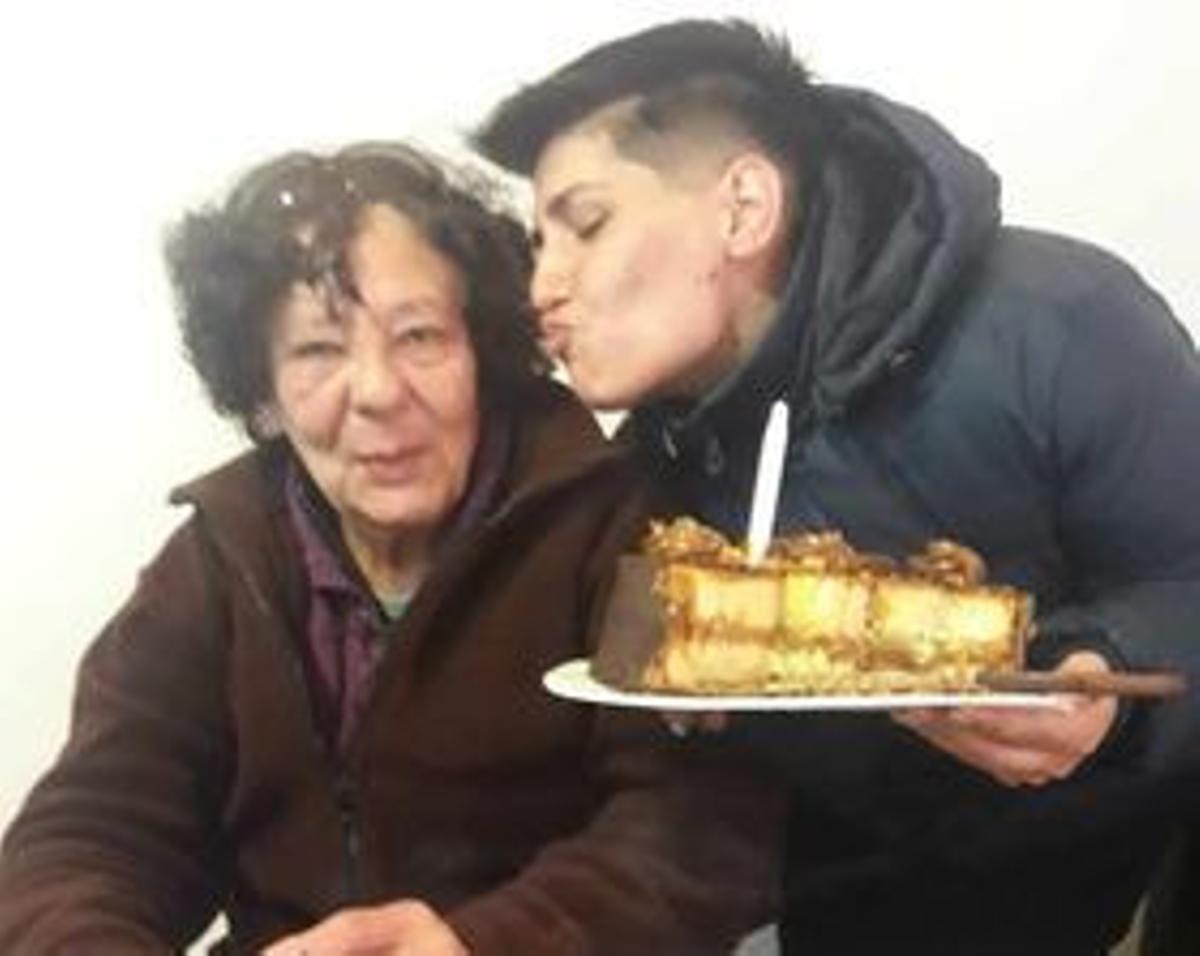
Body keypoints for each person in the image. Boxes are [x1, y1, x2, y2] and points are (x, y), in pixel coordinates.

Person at [473, 18, 1200, 955]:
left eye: (586, 224)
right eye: (538, 244)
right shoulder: (654, 461)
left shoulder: (1055, 320)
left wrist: (1107, 684)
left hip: (1118, 902)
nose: (544, 288)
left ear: (743, 208)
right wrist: (691, 713)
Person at [0, 142, 783, 954]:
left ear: (479, 351)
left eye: (419, 338)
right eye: (317, 350)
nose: (377, 392)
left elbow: (704, 825)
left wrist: (481, 944)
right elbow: (92, 830)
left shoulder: (621, 526)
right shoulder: (218, 557)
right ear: (261, 389)